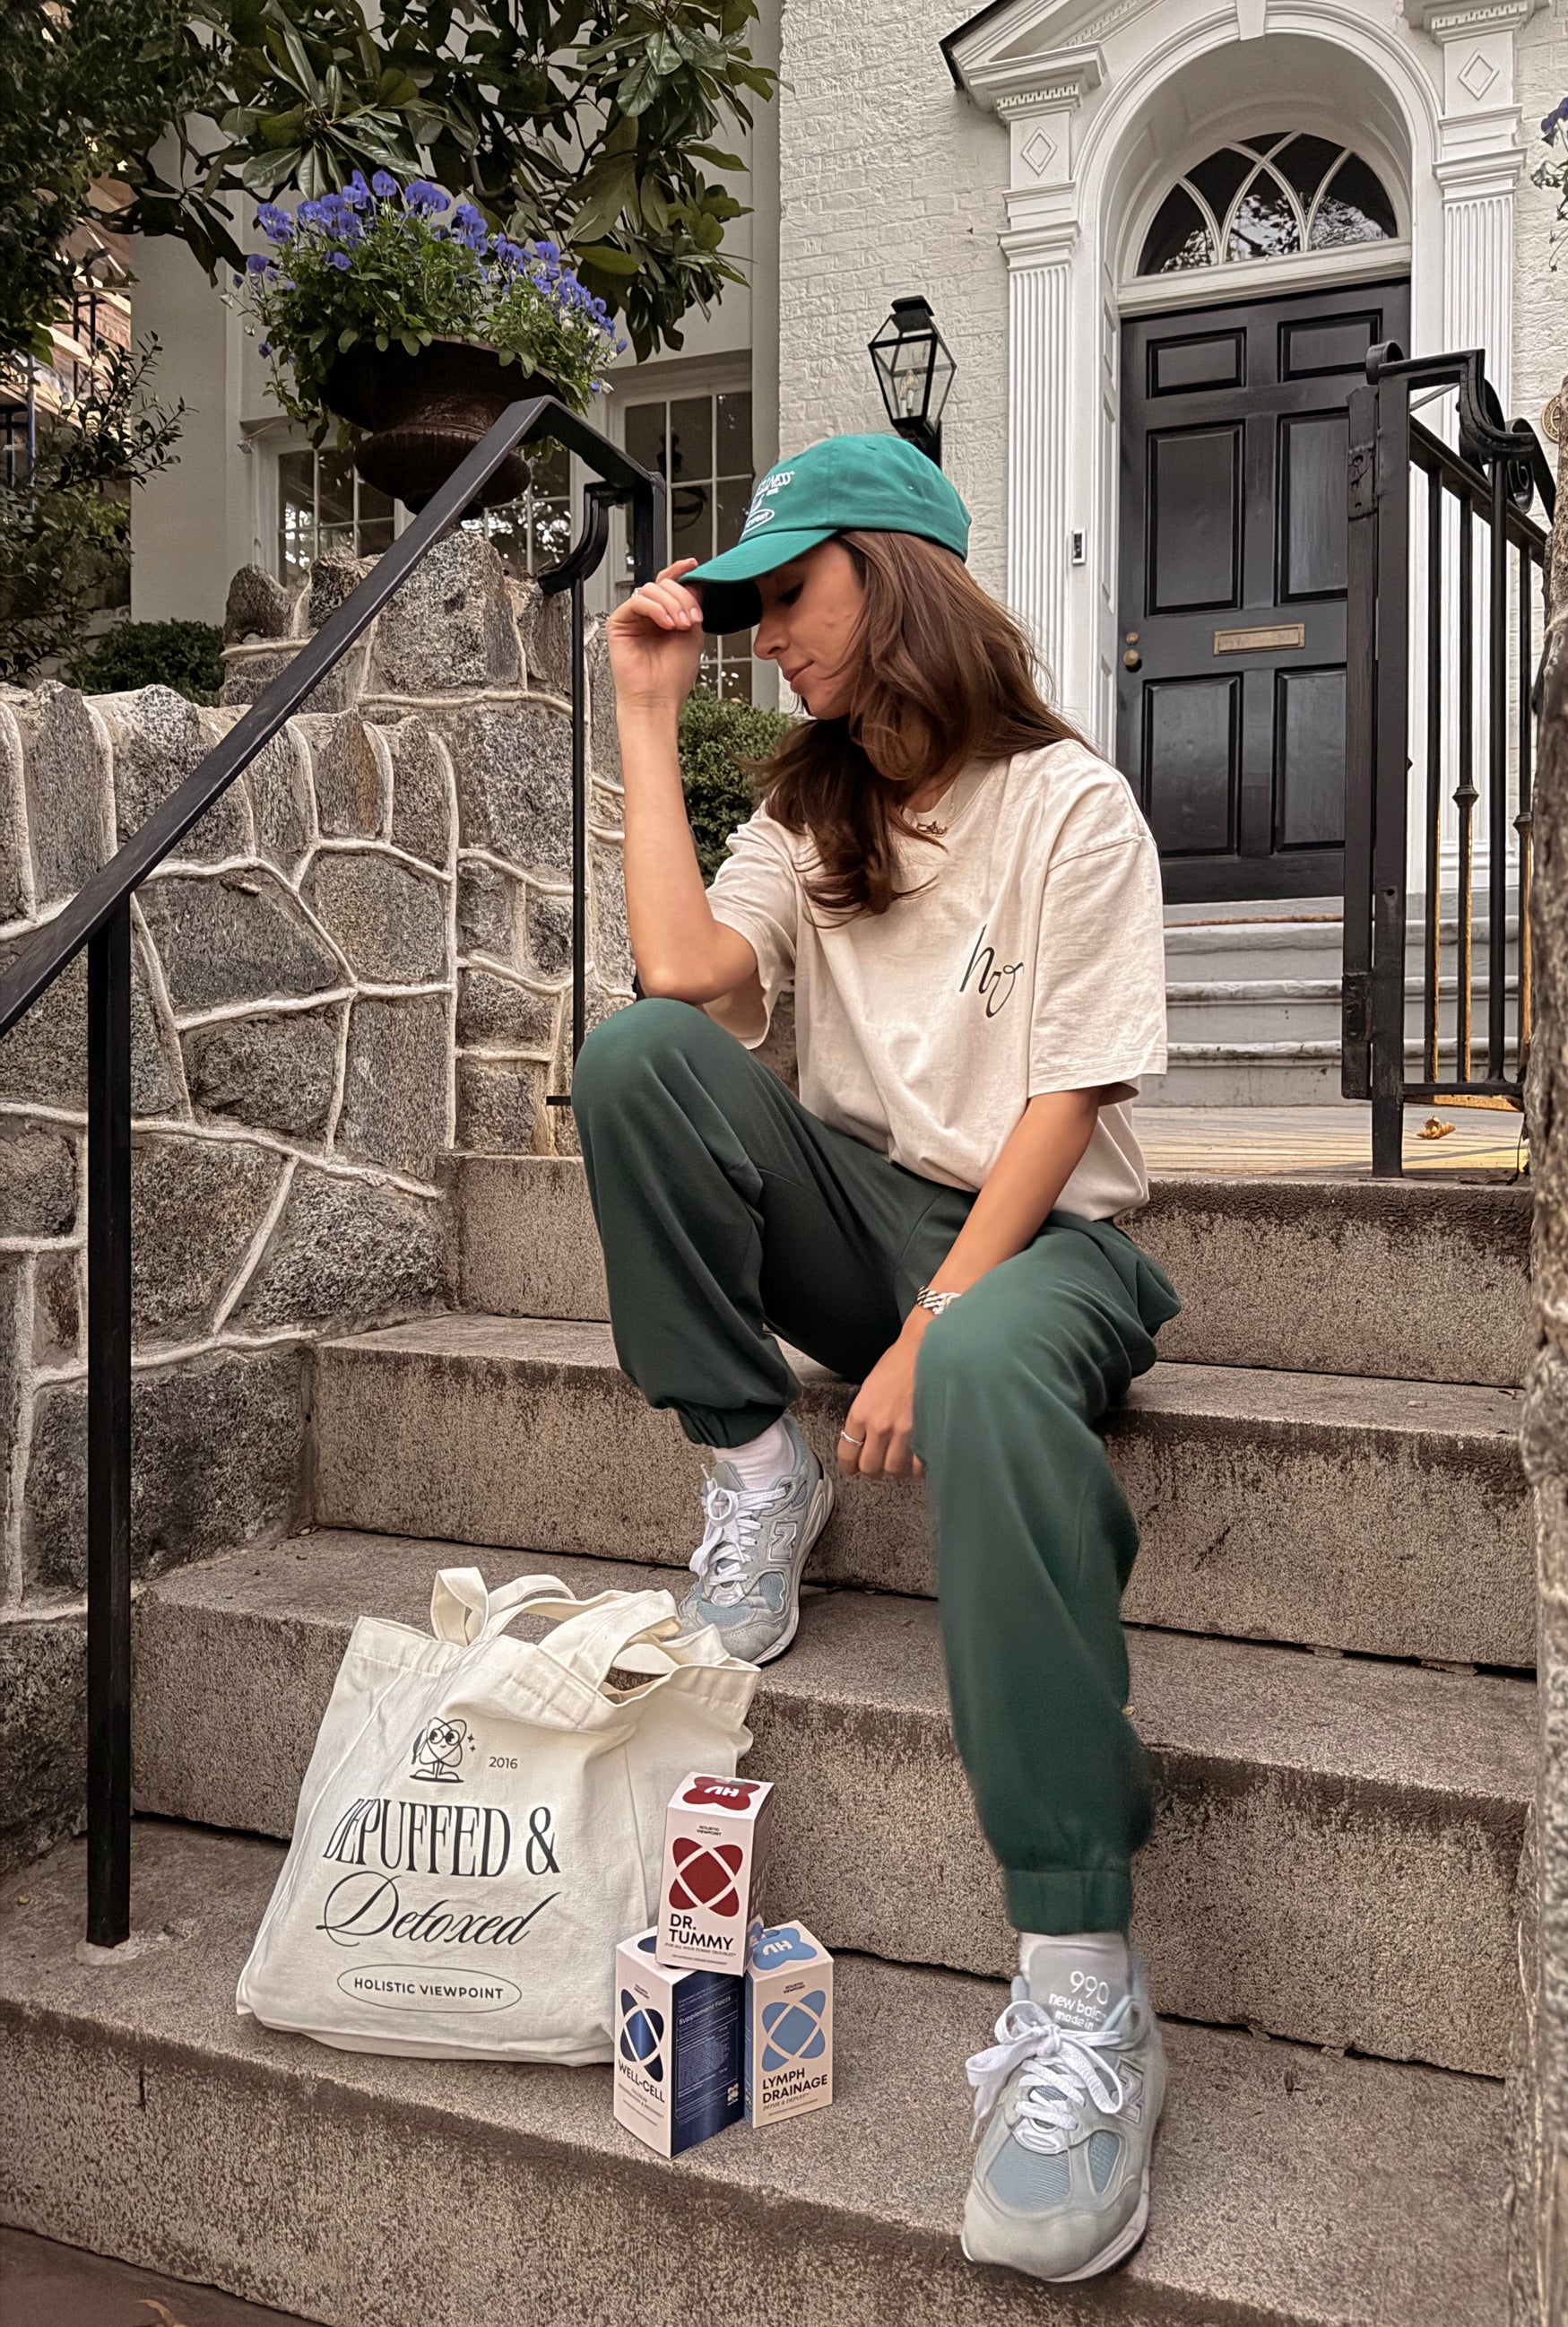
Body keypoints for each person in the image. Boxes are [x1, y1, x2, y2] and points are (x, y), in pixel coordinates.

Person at [571, 431, 1178, 2283]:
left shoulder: (1069, 805)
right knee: (631, 1056)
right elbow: (684, 981)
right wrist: (649, 717)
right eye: (744, 602)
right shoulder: (802, 805)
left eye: (788, 591)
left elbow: (1067, 1098)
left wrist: (928, 1325)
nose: (764, 633)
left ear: (894, 573)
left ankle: (1082, 1985)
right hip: (858, 1222)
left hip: (1043, 1245)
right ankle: (758, 1458)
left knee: (989, 1360)